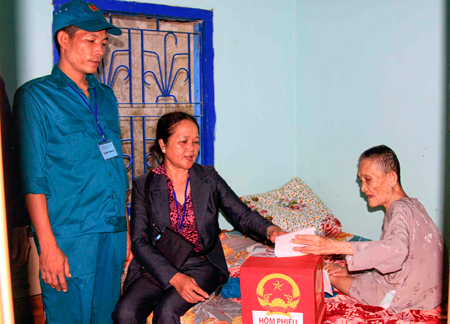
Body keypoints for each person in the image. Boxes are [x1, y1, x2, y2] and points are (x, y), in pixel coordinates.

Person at [12, 1, 130, 323]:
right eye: (90, 40)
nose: (98, 50)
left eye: (103, 43)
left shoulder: (106, 97)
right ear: (64, 39)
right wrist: (47, 246)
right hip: (69, 237)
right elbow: (33, 177)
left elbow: (116, 168)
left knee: (108, 317)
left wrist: (127, 230)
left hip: (113, 232)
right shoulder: (35, 97)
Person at [112, 111, 286, 324]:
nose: (191, 149)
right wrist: (176, 278)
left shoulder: (208, 178)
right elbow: (139, 242)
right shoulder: (144, 184)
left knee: (166, 312)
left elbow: (241, 214)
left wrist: (271, 231)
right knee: (124, 313)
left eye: (195, 142)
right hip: (160, 263)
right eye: (183, 142)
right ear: (163, 145)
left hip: (201, 264)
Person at [291, 145, 444, 314]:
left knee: (327, 274)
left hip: (406, 295)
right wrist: (351, 271)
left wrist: (333, 246)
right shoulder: (413, 205)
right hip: (433, 291)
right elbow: (397, 256)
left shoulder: (398, 210)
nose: (363, 188)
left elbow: (396, 250)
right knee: (351, 273)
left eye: (368, 179)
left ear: (392, 177)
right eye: (361, 180)